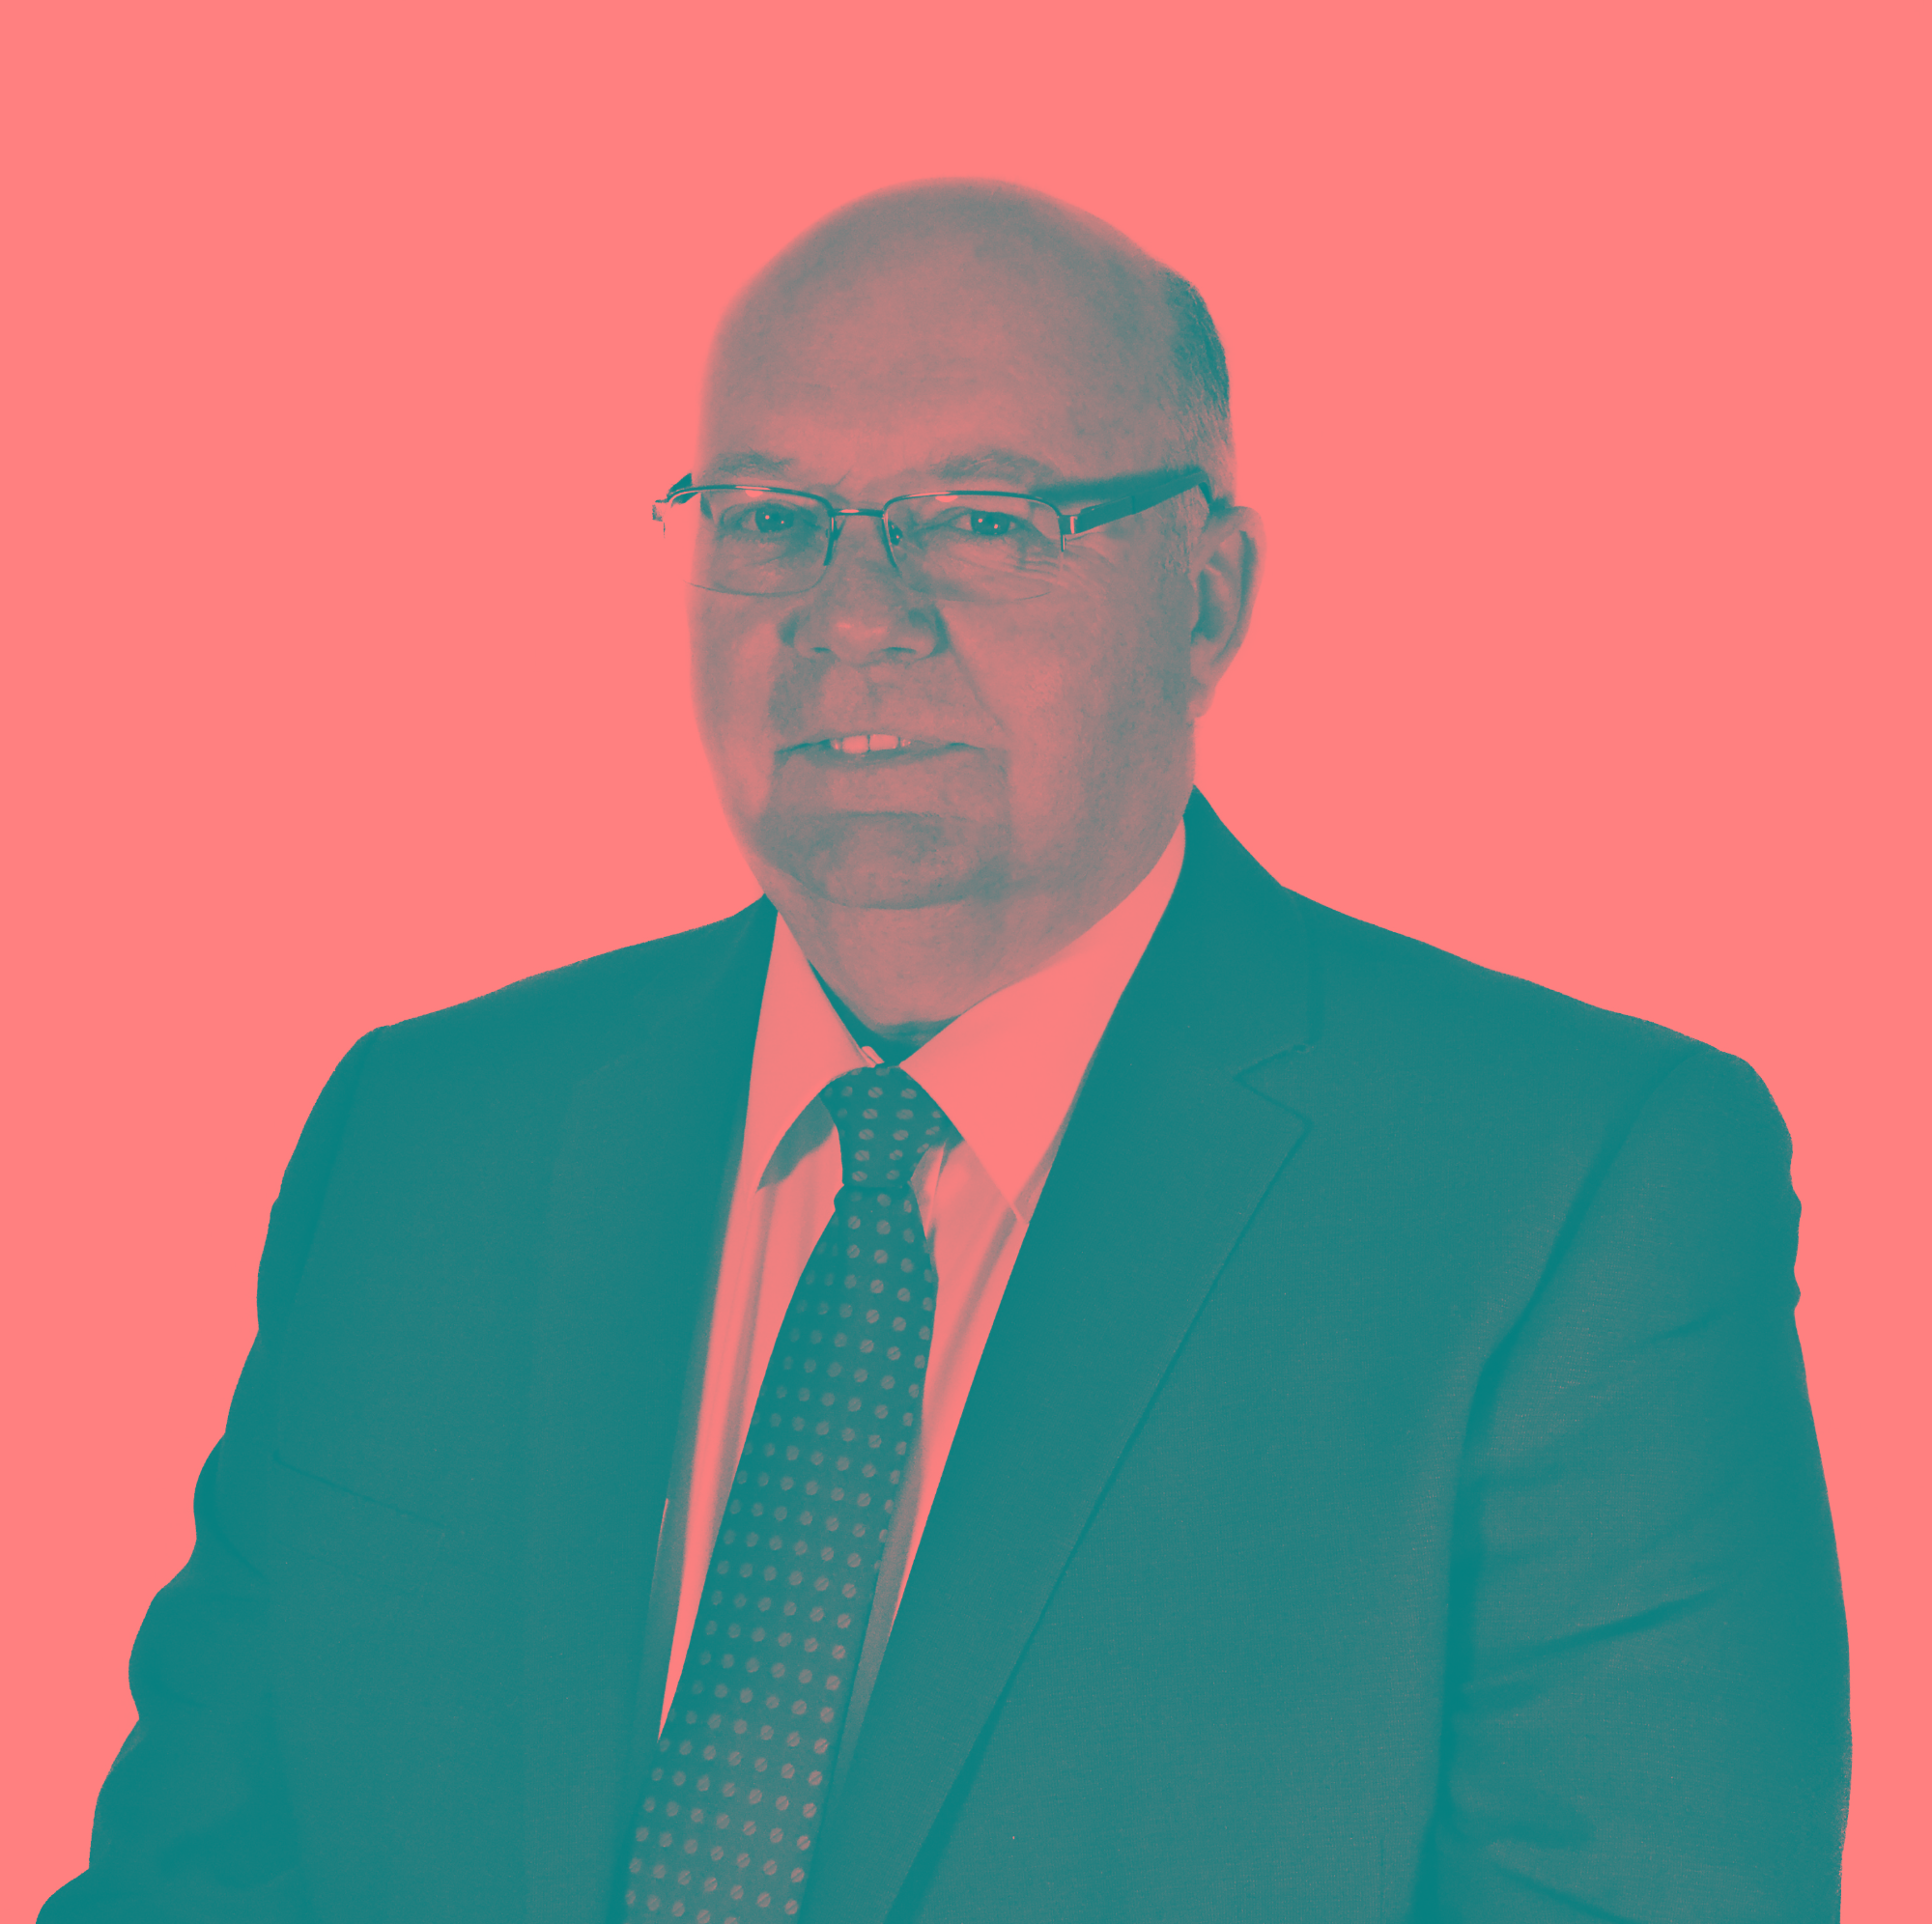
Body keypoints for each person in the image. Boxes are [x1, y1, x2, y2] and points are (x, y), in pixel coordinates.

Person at [43, 179, 1849, 1924]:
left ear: (1207, 596)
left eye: (984, 520)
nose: (850, 615)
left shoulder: (1567, 1197)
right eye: (770, 516)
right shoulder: (430, 1145)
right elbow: (195, 1880)